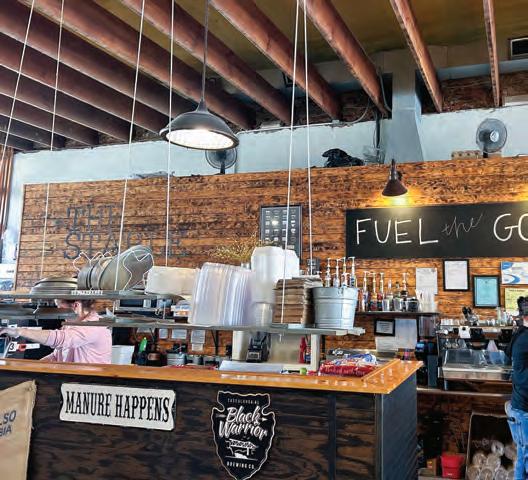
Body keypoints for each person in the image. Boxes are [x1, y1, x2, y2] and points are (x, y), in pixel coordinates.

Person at [0, 299, 112, 364]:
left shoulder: (94, 325)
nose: (56, 311)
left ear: (75, 306)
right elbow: (56, 356)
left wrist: (19, 331)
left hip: (87, 386)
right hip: (70, 381)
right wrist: (32, 367)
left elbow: (61, 339)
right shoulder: (71, 324)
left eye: (59, 306)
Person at [506, 296, 528, 479]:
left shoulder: (519, 334)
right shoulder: (525, 337)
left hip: (519, 405)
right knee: (525, 456)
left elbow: (507, 355)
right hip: (524, 409)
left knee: (523, 455)